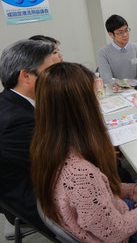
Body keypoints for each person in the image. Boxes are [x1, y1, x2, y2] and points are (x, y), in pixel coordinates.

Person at [31, 63, 137, 243]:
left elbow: (93, 196)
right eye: (95, 96)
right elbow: (117, 232)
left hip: (109, 215)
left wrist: (129, 190)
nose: (98, 102)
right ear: (81, 108)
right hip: (121, 234)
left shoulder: (47, 148)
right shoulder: (80, 173)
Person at [0, 39, 58, 233]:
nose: (58, 78)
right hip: (36, 199)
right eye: (52, 71)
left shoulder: (14, 101)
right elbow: (58, 166)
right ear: (26, 76)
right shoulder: (15, 121)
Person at [98, 14, 137, 84]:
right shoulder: (103, 53)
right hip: (117, 91)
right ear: (111, 34)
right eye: (120, 32)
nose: (125, 35)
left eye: (126, 30)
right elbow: (107, 80)